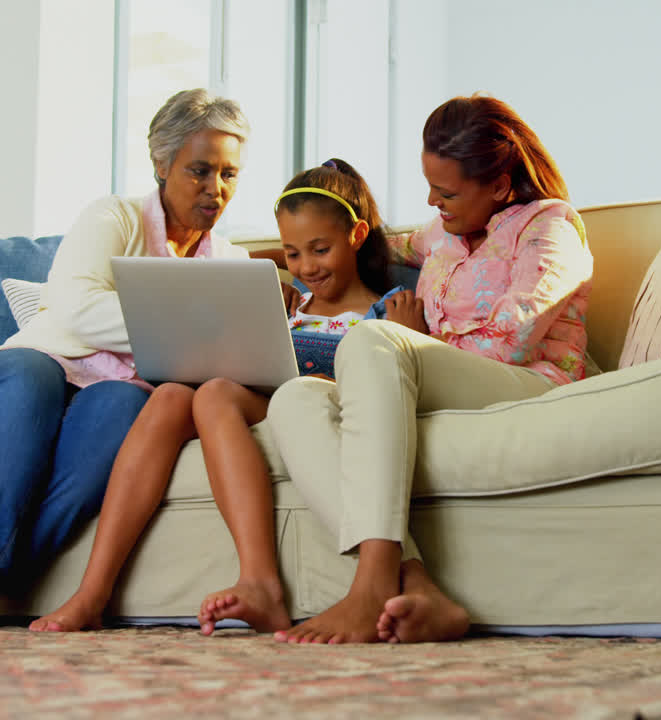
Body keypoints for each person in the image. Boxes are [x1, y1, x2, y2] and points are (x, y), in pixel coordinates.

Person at [0, 88, 253, 630]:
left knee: (120, 407)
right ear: (161, 164)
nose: (215, 188)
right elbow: (79, 311)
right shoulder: (113, 217)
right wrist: (189, 330)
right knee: (28, 383)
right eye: (200, 170)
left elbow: (225, 356)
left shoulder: (229, 262)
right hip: (28, 374)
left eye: (228, 174)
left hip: (110, 394)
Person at [266, 94, 595, 644]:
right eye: (429, 187)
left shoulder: (550, 229)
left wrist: (416, 341)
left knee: (373, 339)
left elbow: (511, 341)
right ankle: (417, 584)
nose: (431, 201)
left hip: (528, 383)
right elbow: (372, 240)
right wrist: (263, 267)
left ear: (499, 185)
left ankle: (370, 586)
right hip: (436, 376)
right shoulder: (443, 232)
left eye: (446, 192)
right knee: (293, 398)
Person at [27, 158, 404, 634]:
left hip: (319, 408)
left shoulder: (387, 309)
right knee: (169, 395)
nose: (307, 267)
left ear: (357, 235)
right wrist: (270, 279)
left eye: (320, 250)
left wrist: (404, 334)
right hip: (264, 397)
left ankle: (260, 582)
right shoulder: (289, 302)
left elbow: (387, 385)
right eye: (293, 254)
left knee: (214, 396)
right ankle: (92, 593)